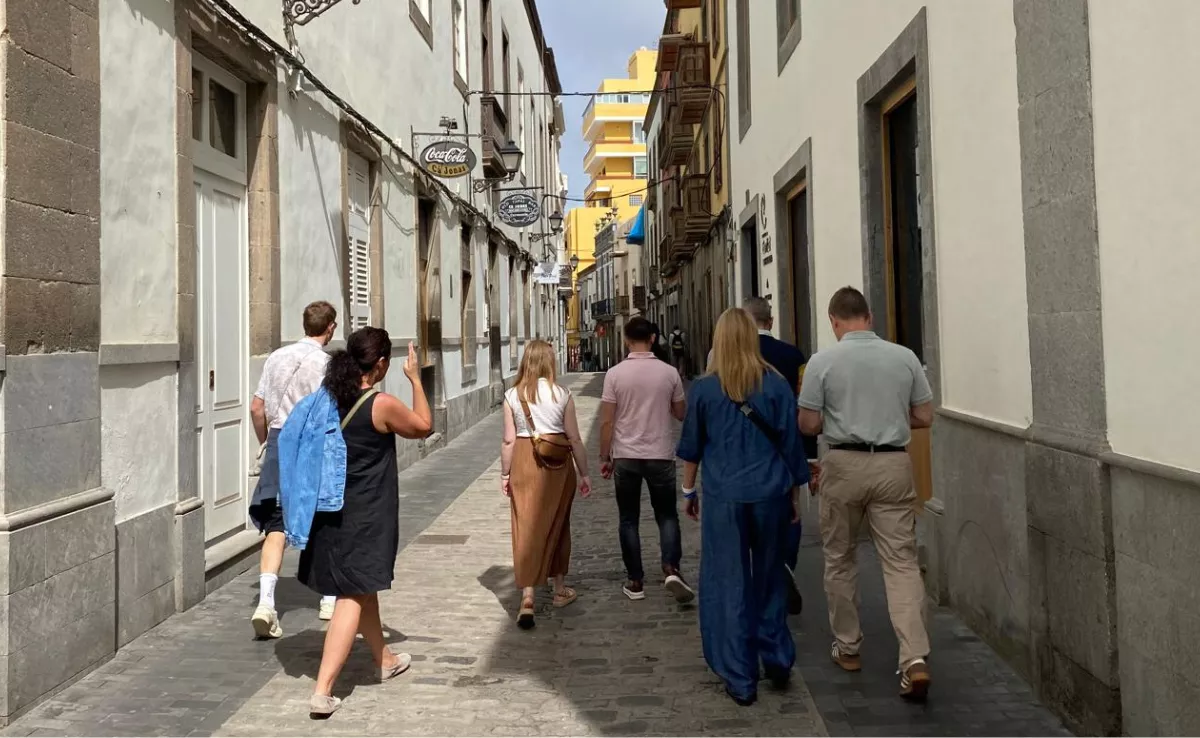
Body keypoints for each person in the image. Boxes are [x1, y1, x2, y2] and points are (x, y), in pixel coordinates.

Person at [798, 286, 934, 702]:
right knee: (901, 562)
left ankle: (849, 646)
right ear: (869, 317)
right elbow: (925, 416)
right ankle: (913, 658)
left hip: (843, 465)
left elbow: (807, 424)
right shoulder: (904, 356)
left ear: (834, 321)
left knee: (840, 557)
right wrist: (891, 417)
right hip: (893, 464)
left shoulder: (822, 362)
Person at [677, 308, 810, 707]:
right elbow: (791, 447)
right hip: (770, 493)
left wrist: (688, 492)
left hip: (724, 498)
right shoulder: (776, 385)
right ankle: (777, 657)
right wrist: (794, 499)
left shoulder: (704, 389)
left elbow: (692, 449)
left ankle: (740, 675)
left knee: (727, 582)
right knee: (769, 577)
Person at [300, 328, 433, 717]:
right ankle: (323, 690)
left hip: (329, 511)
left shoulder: (329, 398)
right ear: (380, 364)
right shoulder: (380, 404)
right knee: (352, 596)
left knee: (362, 587)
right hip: (365, 514)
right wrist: (416, 380)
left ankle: (384, 660)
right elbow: (423, 426)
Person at [247, 300, 339, 638]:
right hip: (311, 443)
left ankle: (267, 603)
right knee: (323, 516)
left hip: (278, 439)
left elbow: (258, 408)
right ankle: (329, 598)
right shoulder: (327, 364)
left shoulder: (276, 358)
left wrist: (267, 442)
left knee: (277, 524)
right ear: (330, 327)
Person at [599, 317, 692, 603]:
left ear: (626, 340)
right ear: (653, 338)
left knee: (628, 519)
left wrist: (605, 455)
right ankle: (671, 567)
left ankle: (636, 580)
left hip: (626, 455)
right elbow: (680, 413)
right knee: (666, 514)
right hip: (660, 454)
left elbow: (606, 422)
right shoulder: (669, 373)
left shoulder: (614, 374)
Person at [500, 340, 592, 630]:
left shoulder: (512, 396)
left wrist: (505, 474)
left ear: (526, 361)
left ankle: (527, 596)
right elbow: (575, 438)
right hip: (559, 465)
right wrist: (585, 472)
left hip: (524, 461)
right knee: (558, 523)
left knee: (524, 527)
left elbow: (508, 440)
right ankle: (559, 589)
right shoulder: (562, 394)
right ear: (550, 362)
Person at [742, 296, 820, 615]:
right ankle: (785, 563)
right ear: (770, 322)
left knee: (748, 513)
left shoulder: (731, 357)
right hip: (788, 447)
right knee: (792, 510)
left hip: (744, 453)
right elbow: (804, 403)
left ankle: (755, 570)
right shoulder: (794, 356)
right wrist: (809, 457)